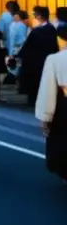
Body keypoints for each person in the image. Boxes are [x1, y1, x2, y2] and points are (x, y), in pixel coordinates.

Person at [36, 24, 67, 183]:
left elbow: (48, 90)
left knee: (62, 139)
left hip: (64, 105)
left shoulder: (54, 59)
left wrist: (45, 116)